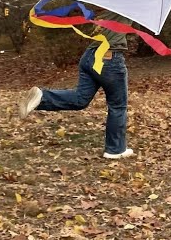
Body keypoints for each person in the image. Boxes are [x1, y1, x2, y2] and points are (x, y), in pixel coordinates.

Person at [17, 9, 135, 159]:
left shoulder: (107, 5)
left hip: (89, 56)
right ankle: (115, 150)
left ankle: (42, 97)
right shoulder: (123, 1)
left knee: (80, 99)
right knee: (118, 105)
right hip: (109, 57)